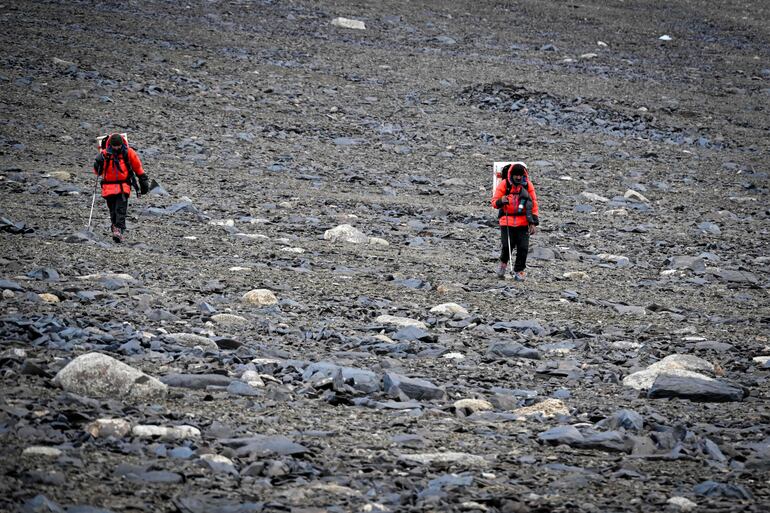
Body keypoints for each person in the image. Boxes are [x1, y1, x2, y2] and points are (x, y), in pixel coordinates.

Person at [93, 133, 150, 243]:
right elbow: (98, 172)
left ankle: (119, 230)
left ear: (122, 143)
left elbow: (137, 167)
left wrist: (143, 181)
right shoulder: (104, 154)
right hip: (108, 187)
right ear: (111, 145)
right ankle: (115, 228)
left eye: (118, 146)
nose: (117, 148)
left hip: (123, 186)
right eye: (115, 146)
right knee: (113, 210)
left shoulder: (128, 152)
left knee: (121, 209)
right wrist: (97, 163)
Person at [491, 162, 539, 280]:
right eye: (516, 175)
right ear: (511, 175)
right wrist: (501, 201)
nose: (518, 177)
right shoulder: (504, 184)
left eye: (520, 175)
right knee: (507, 246)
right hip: (506, 220)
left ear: (524, 175)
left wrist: (533, 222)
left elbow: (533, 204)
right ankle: (503, 263)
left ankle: (519, 271)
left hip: (523, 221)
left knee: (523, 248)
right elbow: (494, 202)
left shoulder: (528, 186)